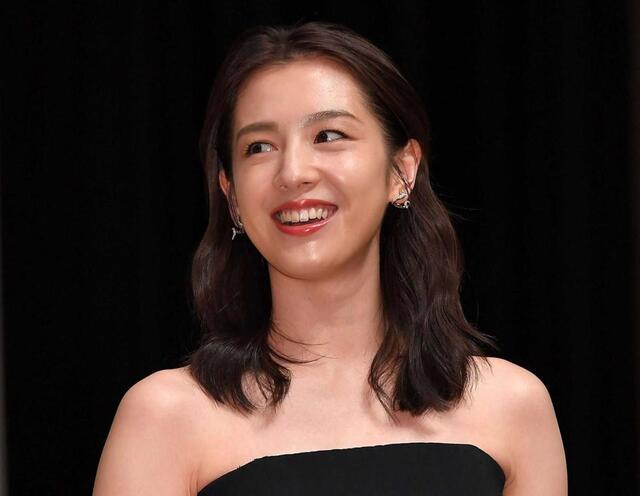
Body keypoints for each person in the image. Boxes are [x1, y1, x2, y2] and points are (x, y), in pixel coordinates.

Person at [93, 20, 568, 496]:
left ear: (401, 171)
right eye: (259, 147)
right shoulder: (166, 418)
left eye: (328, 136)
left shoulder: (511, 406)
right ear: (231, 194)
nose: (293, 172)